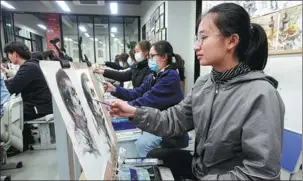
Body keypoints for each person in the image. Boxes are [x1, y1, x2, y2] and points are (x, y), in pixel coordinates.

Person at [109, 3, 285, 180]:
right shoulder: (204, 84)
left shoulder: (261, 95)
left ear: (231, 41)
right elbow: (174, 119)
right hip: (202, 170)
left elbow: (260, 172)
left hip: (221, 176)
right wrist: (134, 112)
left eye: (203, 38)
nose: (195, 46)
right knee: (155, 160)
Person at [104, 40, 188, 157]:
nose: (149, 60)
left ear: (164, 57)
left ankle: (153, 169)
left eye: (152, 56)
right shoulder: (154, 75)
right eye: (149, 56)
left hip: (169, 130)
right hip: (157, 121)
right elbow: (137, 92)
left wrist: (125, 107)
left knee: (141, 145)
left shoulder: (170, 77)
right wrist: (115, 90)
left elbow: (148, 100)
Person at [4, 41, 53, 150]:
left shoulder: (29, 67)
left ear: (15, 54)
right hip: (42, 104)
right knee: (14, 108)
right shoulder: (32, 65)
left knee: (7, 113)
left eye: (8, 54)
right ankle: (25, 139)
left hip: (40, 107)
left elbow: (12, 88)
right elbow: (15, 82)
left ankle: (17, 144)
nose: (8, 57)